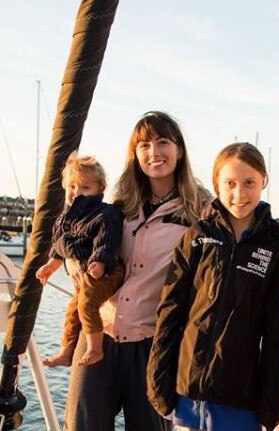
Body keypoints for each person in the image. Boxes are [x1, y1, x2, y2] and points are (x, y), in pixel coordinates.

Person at [63, 111, 210, 431]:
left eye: (162, 142)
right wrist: (70, 262)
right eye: (144, 145)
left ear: (179, 150)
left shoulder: (201, 208)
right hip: (98, 339)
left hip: (154, 347)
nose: (154, 152)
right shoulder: (118, 206)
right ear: (135, 154)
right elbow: (77, 239)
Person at [147, 142, 279, 431]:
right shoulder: (198, 236)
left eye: (249, 182)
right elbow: (170, 311)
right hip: (187, 392)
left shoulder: (275, 246)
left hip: (240, 400)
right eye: (230, 184)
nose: (239, 194)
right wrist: (158, 380)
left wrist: (270, 403)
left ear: (263, 180)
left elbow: (277, 331)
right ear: (217, 185)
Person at [36, 152, 125, 368]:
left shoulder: (105, 214)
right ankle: (67, 350)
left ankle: (95, 349)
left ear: (100, 189)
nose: (77, 193)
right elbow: (61, 247)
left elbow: (107, 241)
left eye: (85, 188)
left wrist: (100, 262)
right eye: (72, 187)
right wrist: (50, 266)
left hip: (107, 271)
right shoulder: (64, 218)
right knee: (72, 311)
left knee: (86, 304)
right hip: (87, 275)